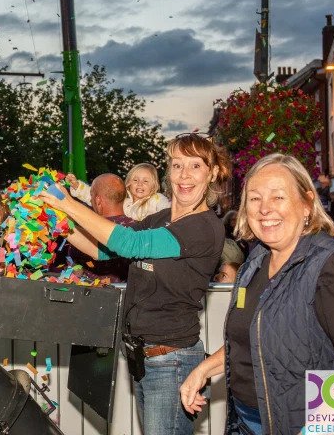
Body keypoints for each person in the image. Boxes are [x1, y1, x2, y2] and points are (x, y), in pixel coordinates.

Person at [180, 153, 334, 435]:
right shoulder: (256, 262)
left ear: (306, 204)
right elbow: (257, 336)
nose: (265, 209)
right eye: (254, 198)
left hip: (303, 424)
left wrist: (316, 431)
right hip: (246, 419)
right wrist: (204, 369)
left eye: (278, 197)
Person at [40, 133, 231, 435]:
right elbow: (103, 249)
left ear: (213, 173)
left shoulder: (204, 227)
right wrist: (57, 222)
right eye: (177, 165)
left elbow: (130, 244)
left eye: (195, 166)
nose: (184, 175)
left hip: (172, 361)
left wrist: (69, 205)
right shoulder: (160, 217)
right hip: (143, 357)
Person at [66, 173, 135, 282]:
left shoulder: (85, 233)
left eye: (91, 195)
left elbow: (75, 273)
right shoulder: (138, 228)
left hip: (92, 295)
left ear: (98, 201)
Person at [66, 162, 170, 221]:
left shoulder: (156, 199)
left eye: (146, 181)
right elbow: (99, 197)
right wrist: (77, 186)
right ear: (128, 183)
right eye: (135, 180)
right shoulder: (122, 199)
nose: (140, 184)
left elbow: (170, 210)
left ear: (154, 186)